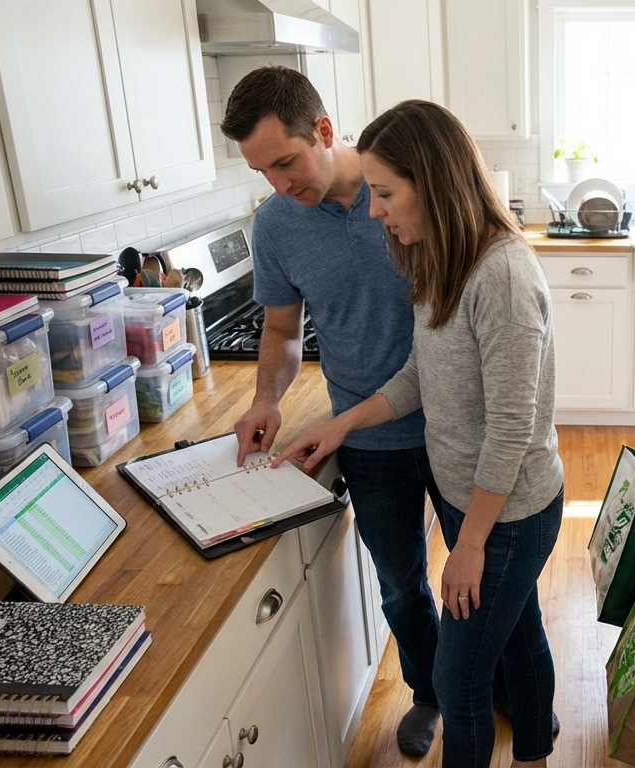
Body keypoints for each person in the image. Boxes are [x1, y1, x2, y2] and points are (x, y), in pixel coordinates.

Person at [272, 99, 564, 768]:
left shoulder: (504, 276)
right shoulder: (438, 256)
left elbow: (512, 427)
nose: (374, 210)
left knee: (459, 684)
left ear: (431, 181)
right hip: (480, 505)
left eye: (385, 192)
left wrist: (469, 545)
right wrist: (340, 423)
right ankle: (535, 758)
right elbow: (417, 375)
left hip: (510, 515)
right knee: (520, 640)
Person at [218, 66, 445, 757]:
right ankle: (432, 691)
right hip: (366, 437)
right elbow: (284, 333)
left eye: (285, 162)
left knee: (487, 574)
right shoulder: (278, 223)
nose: (280, 185)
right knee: (402, 585)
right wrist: (266, 398)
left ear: (322, 130)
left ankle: (502, 685)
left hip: (451, 422)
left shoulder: (408, 187)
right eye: (263, 172)